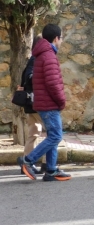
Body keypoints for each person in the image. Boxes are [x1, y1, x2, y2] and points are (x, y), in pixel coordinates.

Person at [17, 24, 71, 181]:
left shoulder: (42, 54)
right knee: (55, 136)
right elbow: (53, 83)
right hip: (49, 104)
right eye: (61, 38)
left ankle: (51, 170)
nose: (61, 41)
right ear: (56, 38)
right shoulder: (49, 56)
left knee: (52, 135)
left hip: (43, 103)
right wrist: (61, 101)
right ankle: (27, 161)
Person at [16, 37, 45, 174]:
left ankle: (27, 162)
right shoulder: (36, 59)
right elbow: (30, 78)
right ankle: (39, 163)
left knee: (34, 133)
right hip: (36, 101)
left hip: (32, 102)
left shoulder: (33, 59)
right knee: (51, 134)